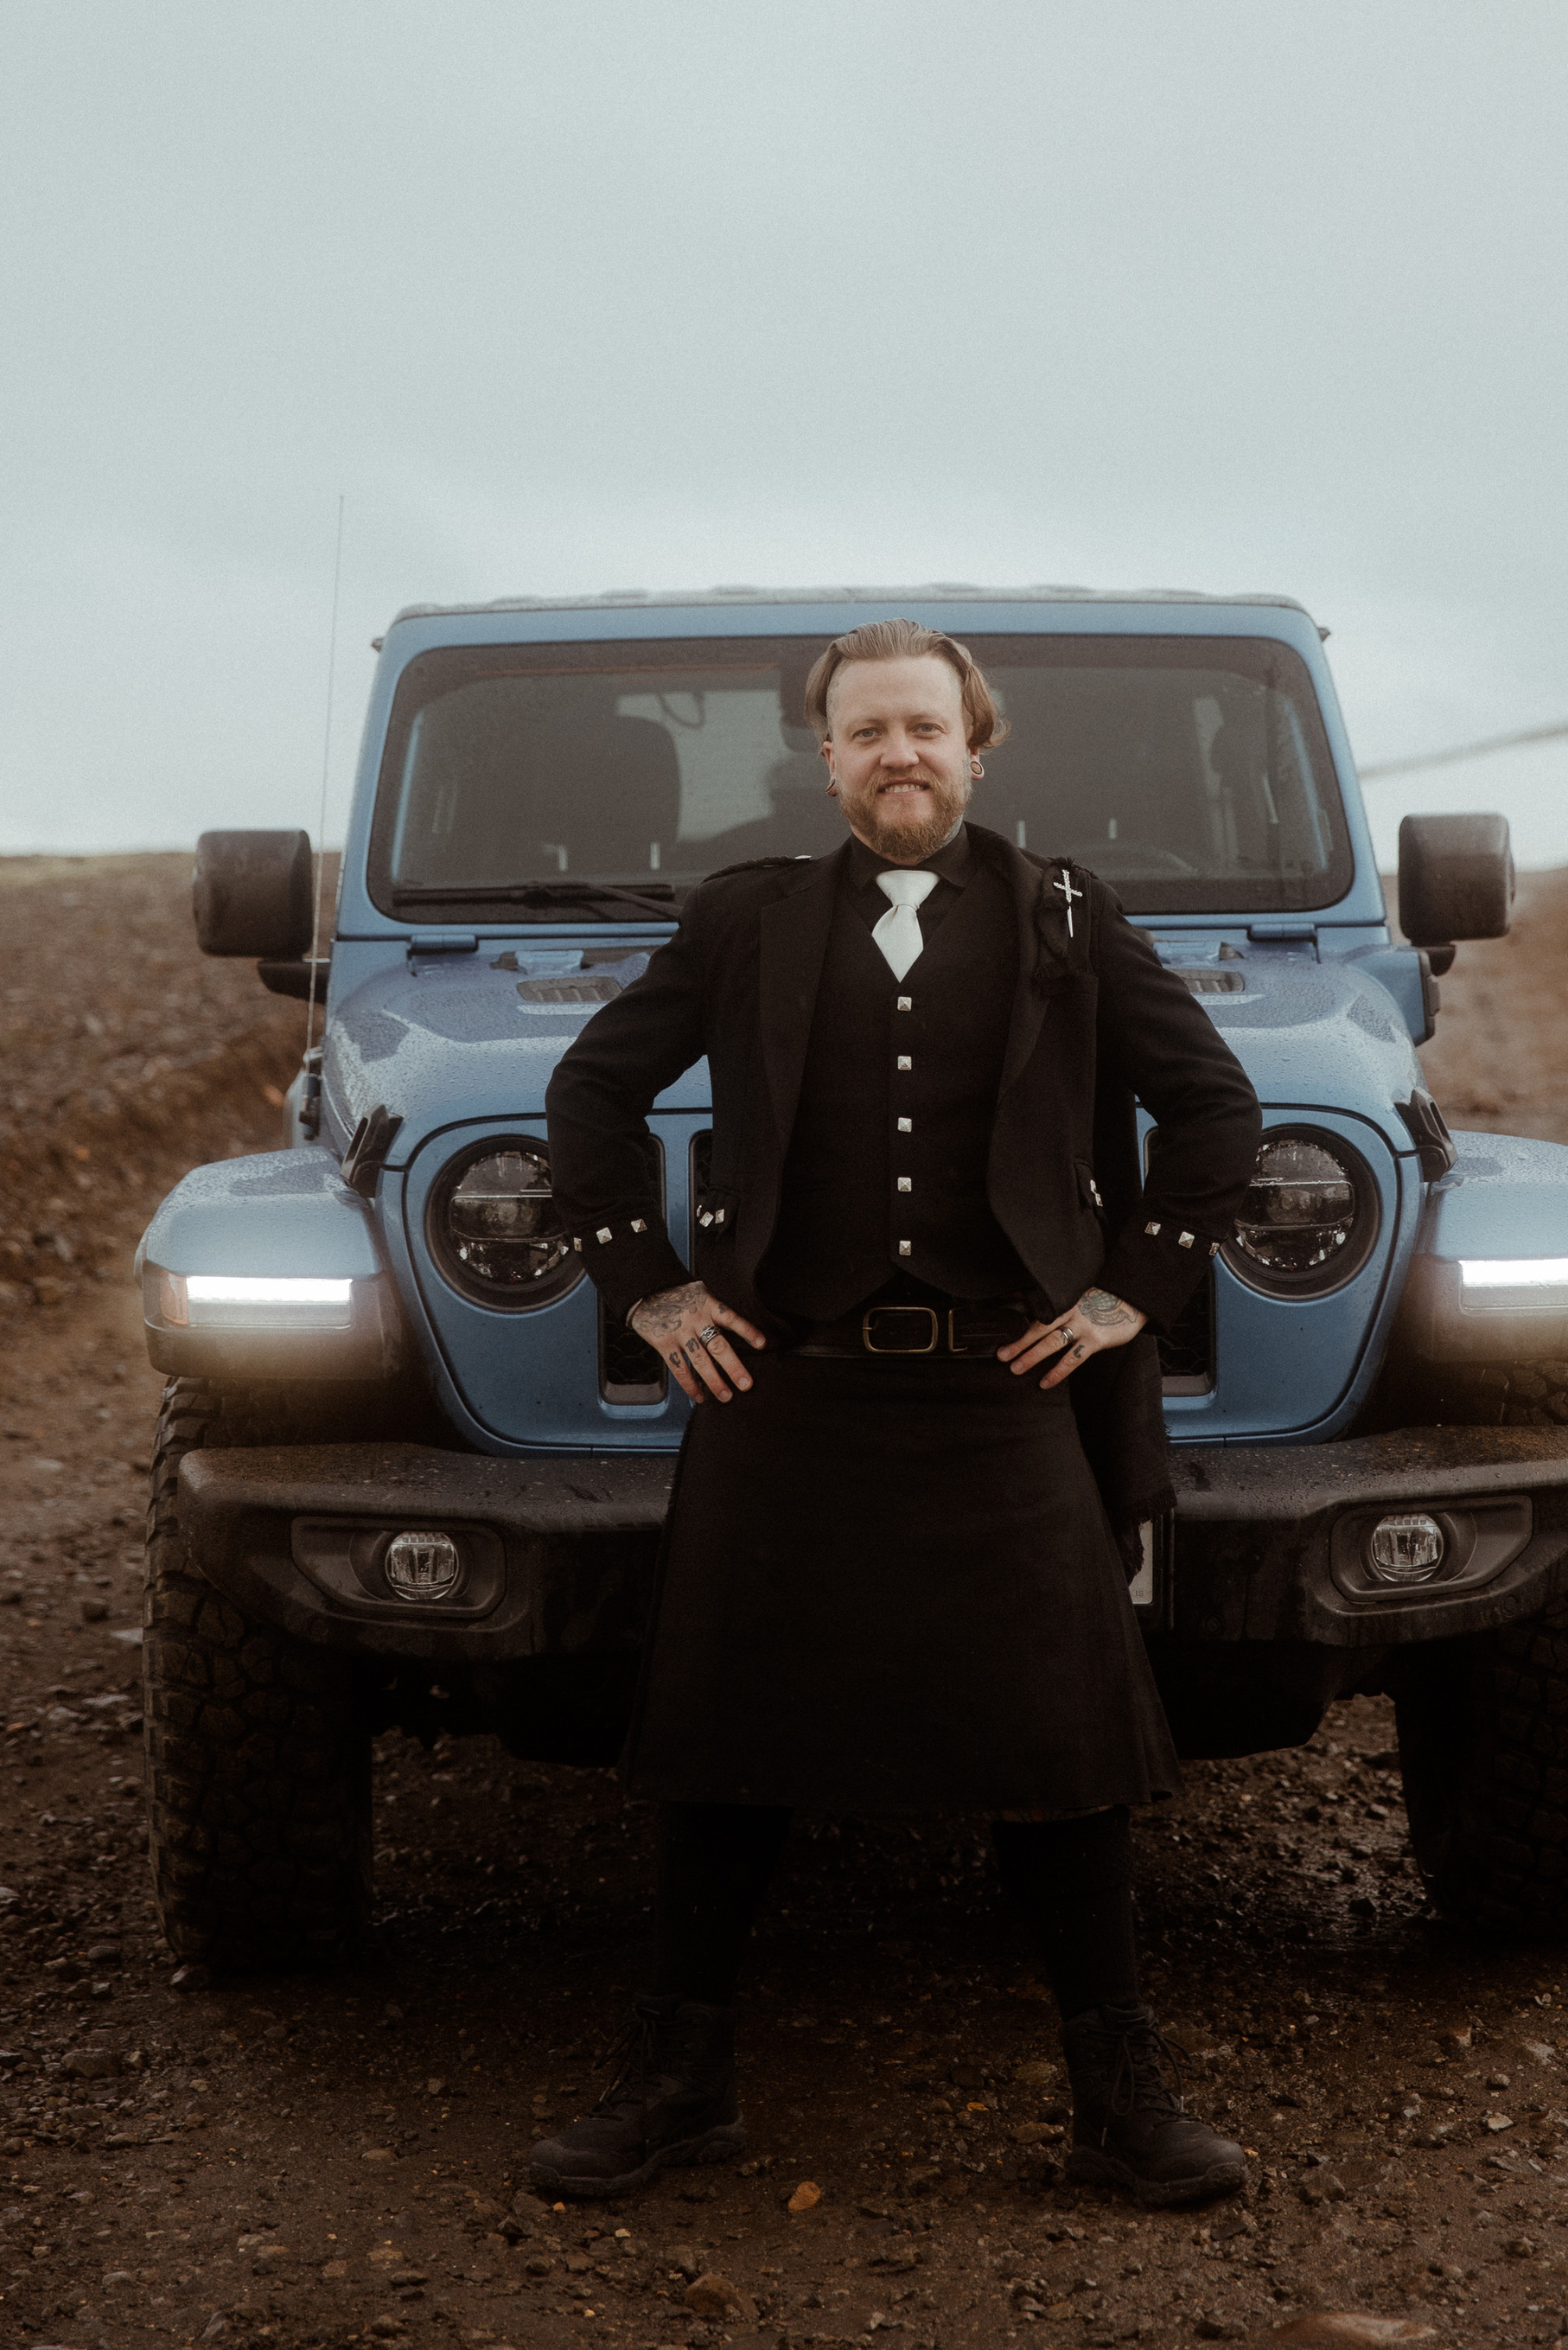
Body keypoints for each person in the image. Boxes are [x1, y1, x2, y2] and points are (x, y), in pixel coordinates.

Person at [532, 618, 1260, 2206]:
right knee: (723, 1745)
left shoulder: (1069, 912)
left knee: (1054, 1749)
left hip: (1002, 1390)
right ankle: (680, 2086)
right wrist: (651, 1290)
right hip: (787, 1387)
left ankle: (1121, 2102)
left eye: (924, 728)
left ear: (977, 745)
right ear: (828, 759)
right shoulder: (744, 920)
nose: (899, 756)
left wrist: (1132, 1291)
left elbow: (1217, 1109)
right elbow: (586, 1095)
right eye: (866, 734)